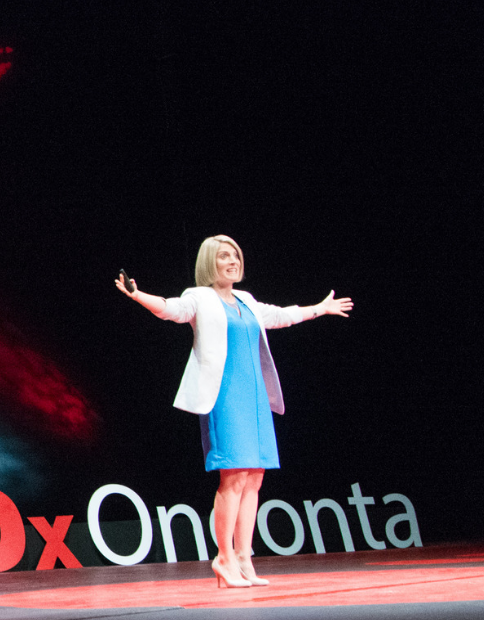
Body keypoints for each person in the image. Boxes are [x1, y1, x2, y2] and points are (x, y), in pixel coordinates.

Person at [115, 235, 352, 588]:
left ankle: (243, 557)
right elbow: (171, 309)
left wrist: (320, 308)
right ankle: (223, 557)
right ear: (210, 262)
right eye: (225, 256)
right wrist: (138, 295)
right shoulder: (200, 297)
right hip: (224, 396)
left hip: (254, 397)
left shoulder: (247, 301)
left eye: (236, 256)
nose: (232, 261)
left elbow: (282, 316)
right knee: (233, 476)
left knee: (254, 477)